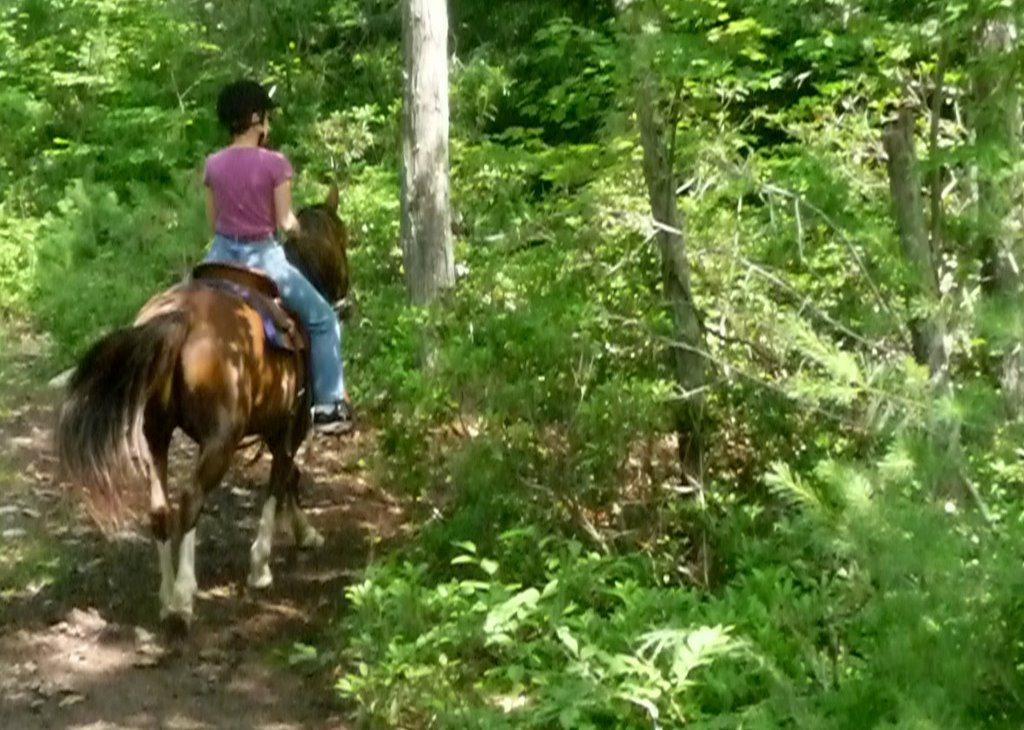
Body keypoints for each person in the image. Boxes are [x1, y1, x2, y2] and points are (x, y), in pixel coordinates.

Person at [202, 79, 352, 433]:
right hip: (263, 259)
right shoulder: (275, 164)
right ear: (256, 119)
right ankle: (329, 405)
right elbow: (286, 222)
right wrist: (304, 235)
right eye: (266, 117)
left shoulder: (213, 164)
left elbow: (213, 222)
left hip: (220, 256)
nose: (268, 124)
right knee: (323, 318)